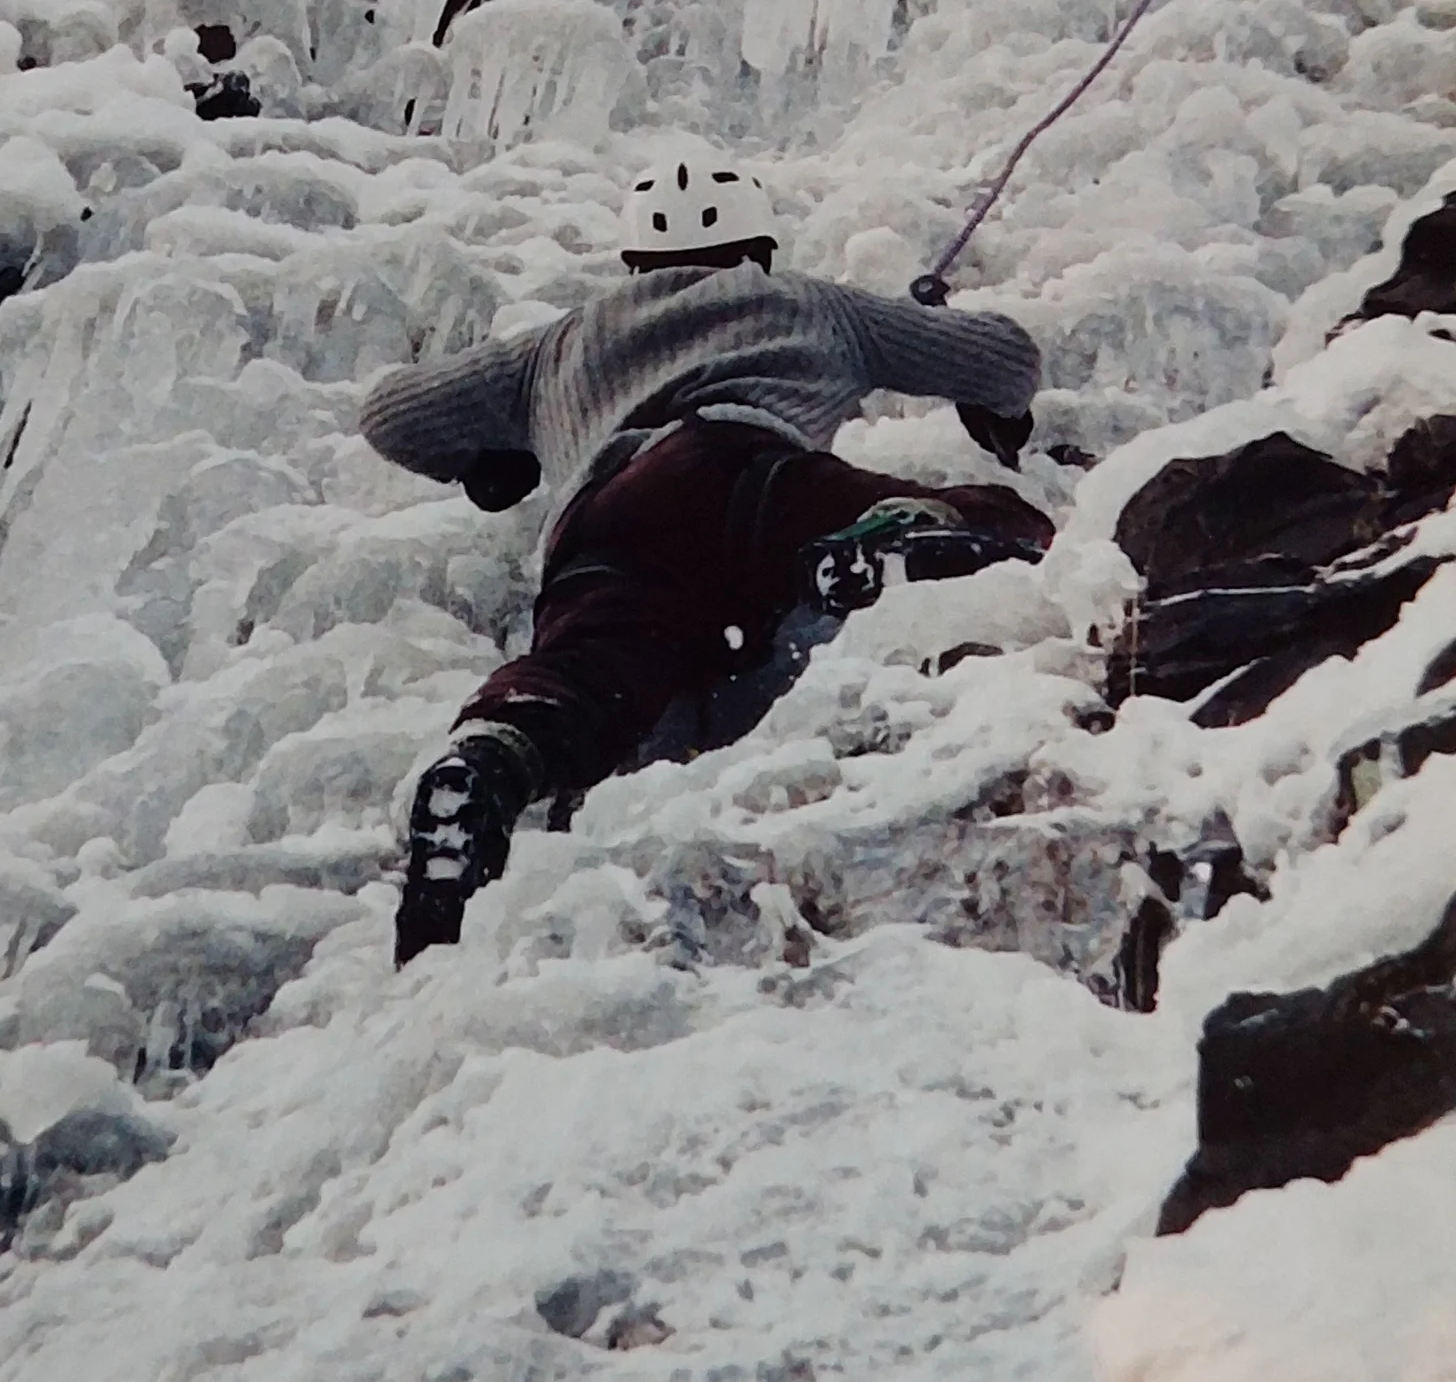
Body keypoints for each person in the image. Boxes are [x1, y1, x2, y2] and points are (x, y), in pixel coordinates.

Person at [361, 148, 1045, 965]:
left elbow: (390, 412)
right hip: (759, 477)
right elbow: (1009, 357)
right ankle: (891, 534)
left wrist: (488, 458)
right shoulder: (807, 303)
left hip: (612, 521)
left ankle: (489, 763)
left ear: (633, 262)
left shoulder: (559, 345)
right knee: (989, 515)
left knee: (581, 681)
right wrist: (964, 369)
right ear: (758, 248)